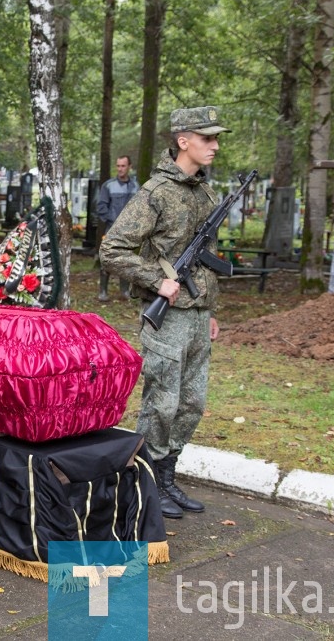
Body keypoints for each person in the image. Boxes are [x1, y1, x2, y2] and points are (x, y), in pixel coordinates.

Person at [100, 106, 228, 521]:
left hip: (196, 314)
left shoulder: (207, 193)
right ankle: (146, 482)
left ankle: (167, 475)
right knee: (162, 403)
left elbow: (207, 260)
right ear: (183, 140)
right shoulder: (155, 193)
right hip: (167, 317)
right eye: (207, 138)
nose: (214, 145)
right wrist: (157, 280)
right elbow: (112, 249)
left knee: (192, 402)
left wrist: (210, 308)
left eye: (216, 138)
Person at [96, 155, 139, 301]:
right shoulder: (108, 186)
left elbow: (139, 208)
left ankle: (124, 291)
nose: (120, 169)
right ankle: (103, 291)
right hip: (111, 230)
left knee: (126, 260)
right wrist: (112, 220)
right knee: (106, 258)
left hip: (129, 231)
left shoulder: (135, 186)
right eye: (118, 166)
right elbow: (101, 206)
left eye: (123, 166)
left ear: (129, 167)